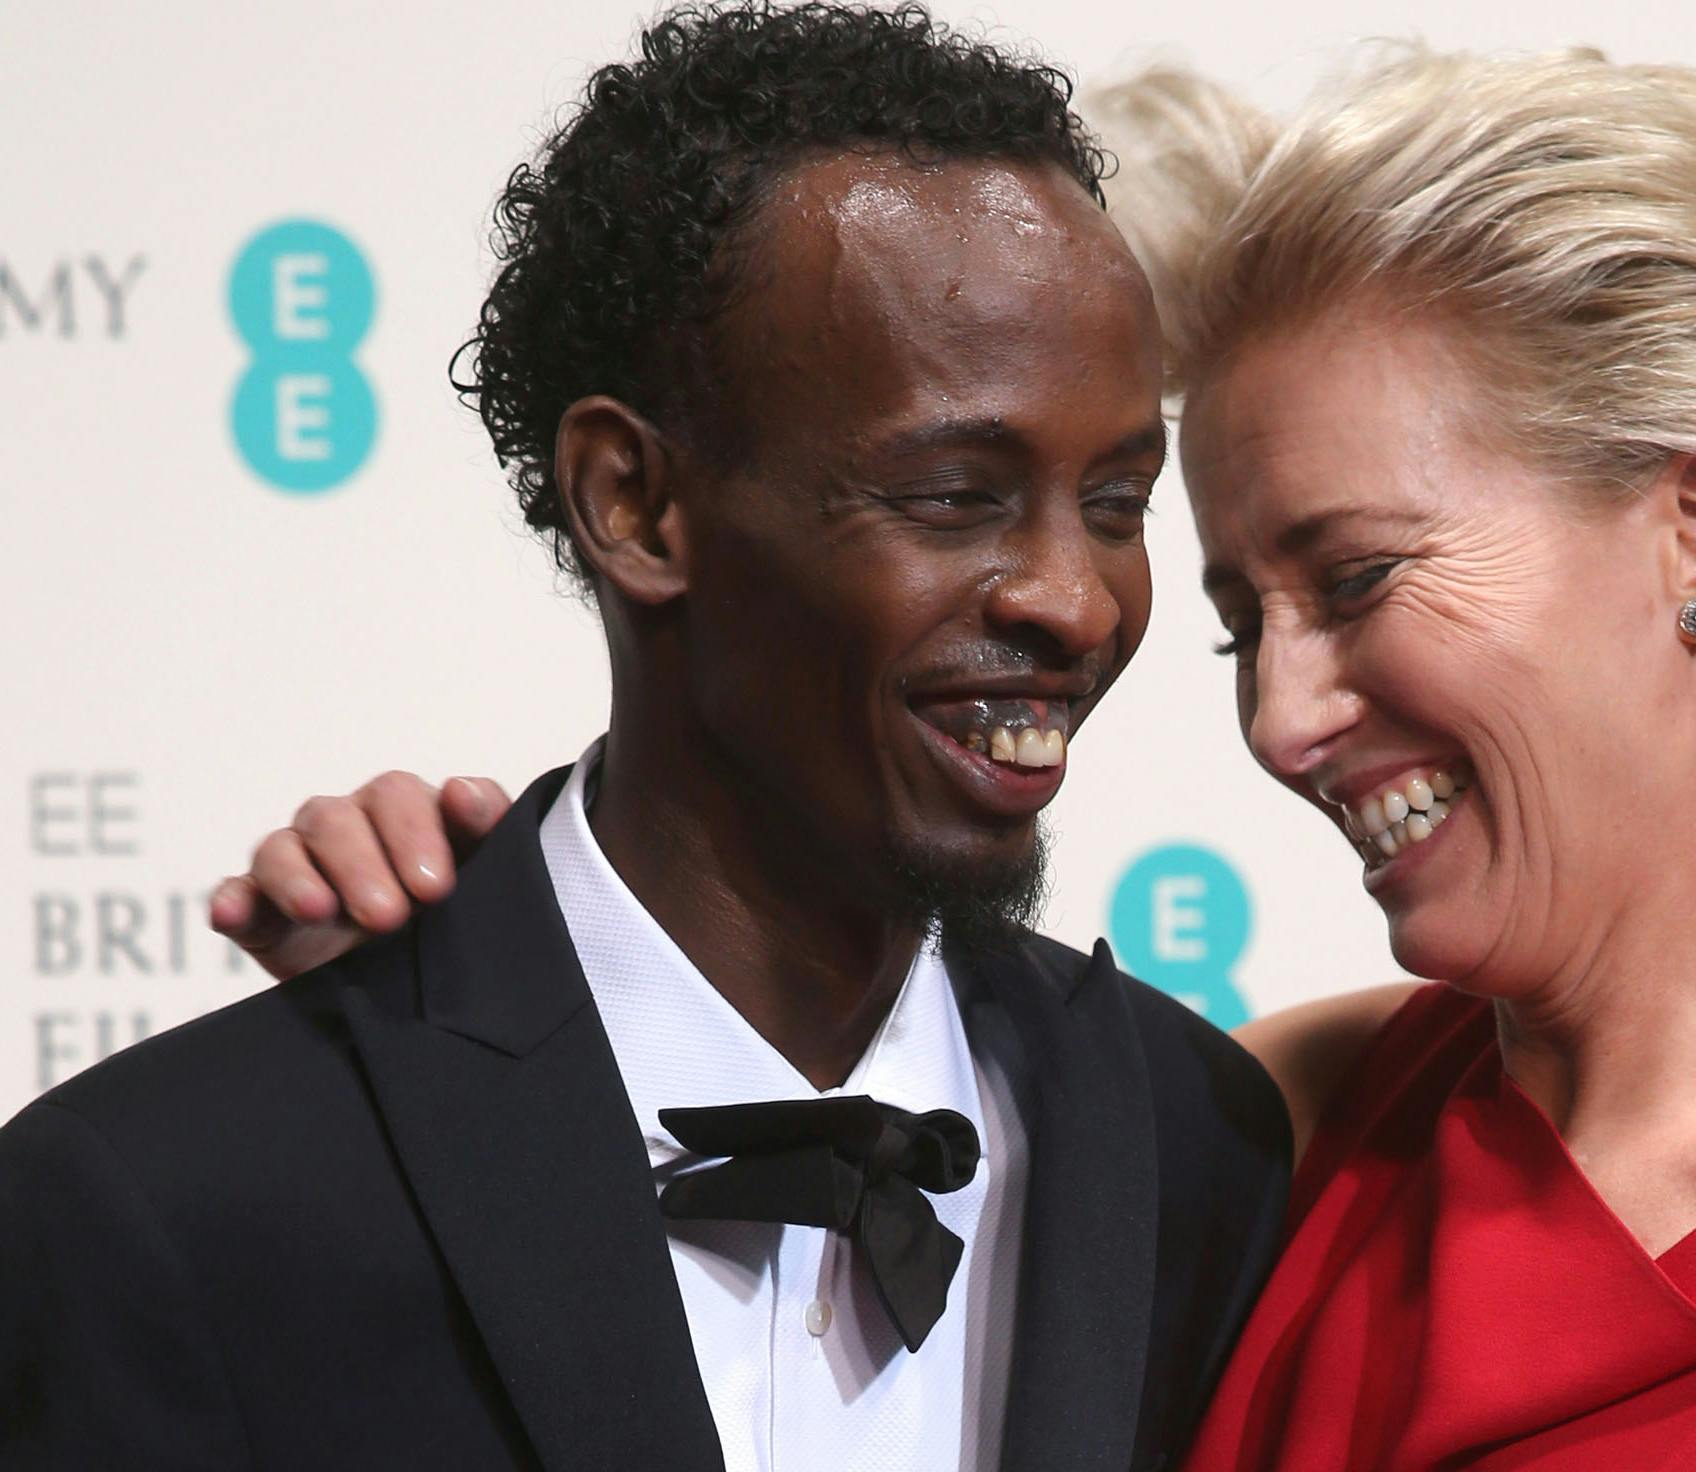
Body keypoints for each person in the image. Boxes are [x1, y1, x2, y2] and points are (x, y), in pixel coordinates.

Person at [240, 43, 1696, 1472]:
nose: (1279, 717)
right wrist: (464, 1025)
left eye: (1360, 577)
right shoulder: (1270, 1125)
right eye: (1247, 616)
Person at [0, 8, 1290, 1471]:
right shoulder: (182, 1201)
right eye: (951, 496)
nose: (1073, 597)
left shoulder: (1195, 1150)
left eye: (1117, 504)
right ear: (634, 503)